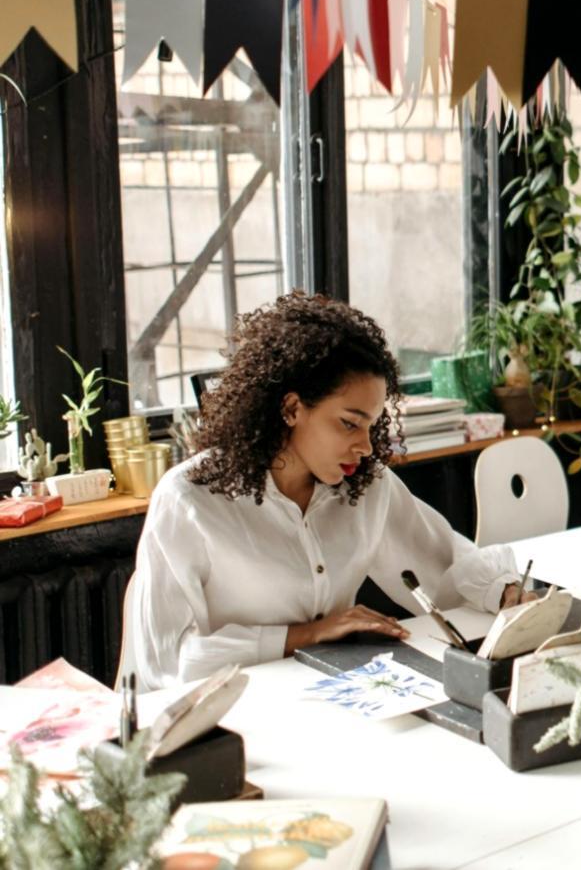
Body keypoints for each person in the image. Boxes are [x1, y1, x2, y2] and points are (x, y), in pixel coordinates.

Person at [120, 292, 532, 689]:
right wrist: (309, 634)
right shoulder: (190, 498)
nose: (367, 446)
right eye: (349, 424)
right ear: (292, 409)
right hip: (233, 715)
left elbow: (441, 565)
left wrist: (504, 591)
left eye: (371, 426)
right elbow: (168, 662)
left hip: (334, 694)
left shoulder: (365, 486)